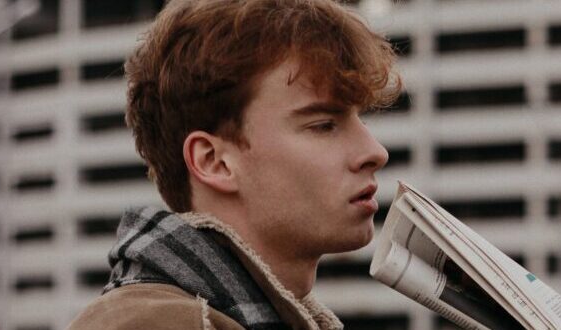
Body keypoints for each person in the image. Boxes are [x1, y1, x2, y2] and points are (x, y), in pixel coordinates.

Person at [68, 0, 400, 329]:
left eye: (362, 121)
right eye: (323, 125)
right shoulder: (154, 324)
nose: (375, 151)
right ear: (214, 162)